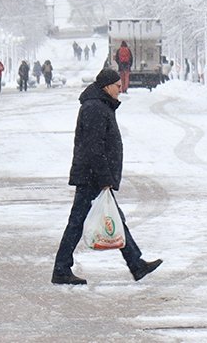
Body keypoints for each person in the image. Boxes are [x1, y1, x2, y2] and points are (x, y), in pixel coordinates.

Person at [51, 69, 161, 286]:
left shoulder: (100, 105)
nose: (120, 90)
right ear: (106, 86)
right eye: (117, 86)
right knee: (77, 222)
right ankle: (61, 269)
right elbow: (94, 147)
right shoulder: (95, 108)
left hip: (94, 175)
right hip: (92, 176)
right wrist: (104, 178)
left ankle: (136, 264)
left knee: (113, 217)